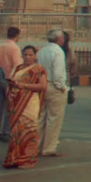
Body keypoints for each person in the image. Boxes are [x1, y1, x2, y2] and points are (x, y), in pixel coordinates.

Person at [2, 45, 46, 169]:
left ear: (35, 56)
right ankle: (14, 158)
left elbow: (42, 87)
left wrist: (23, 85)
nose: (28, 57)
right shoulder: (18, 68)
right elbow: (11, 82)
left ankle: (28, 160)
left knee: (30, 130)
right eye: (25, 55)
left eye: (30, 55)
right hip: (16, 102)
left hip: (30, 102)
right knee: (16, 131)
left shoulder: (39, 69)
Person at [35, 29, 69, 157]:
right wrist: (62, 87)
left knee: (41, 117)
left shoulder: (42, 51)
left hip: (42, 85)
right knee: (54, 119)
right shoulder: (58, 52)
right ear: (59, 39)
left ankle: (37, 145)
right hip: (54, 86)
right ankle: (49, 147)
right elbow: (58, 73)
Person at [0, 27, 22, 142]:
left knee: (0, 104)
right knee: (10, 105)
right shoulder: (15, 48)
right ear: (17, 36)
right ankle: (6, 131)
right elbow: (17, 64)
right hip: (9, 79)